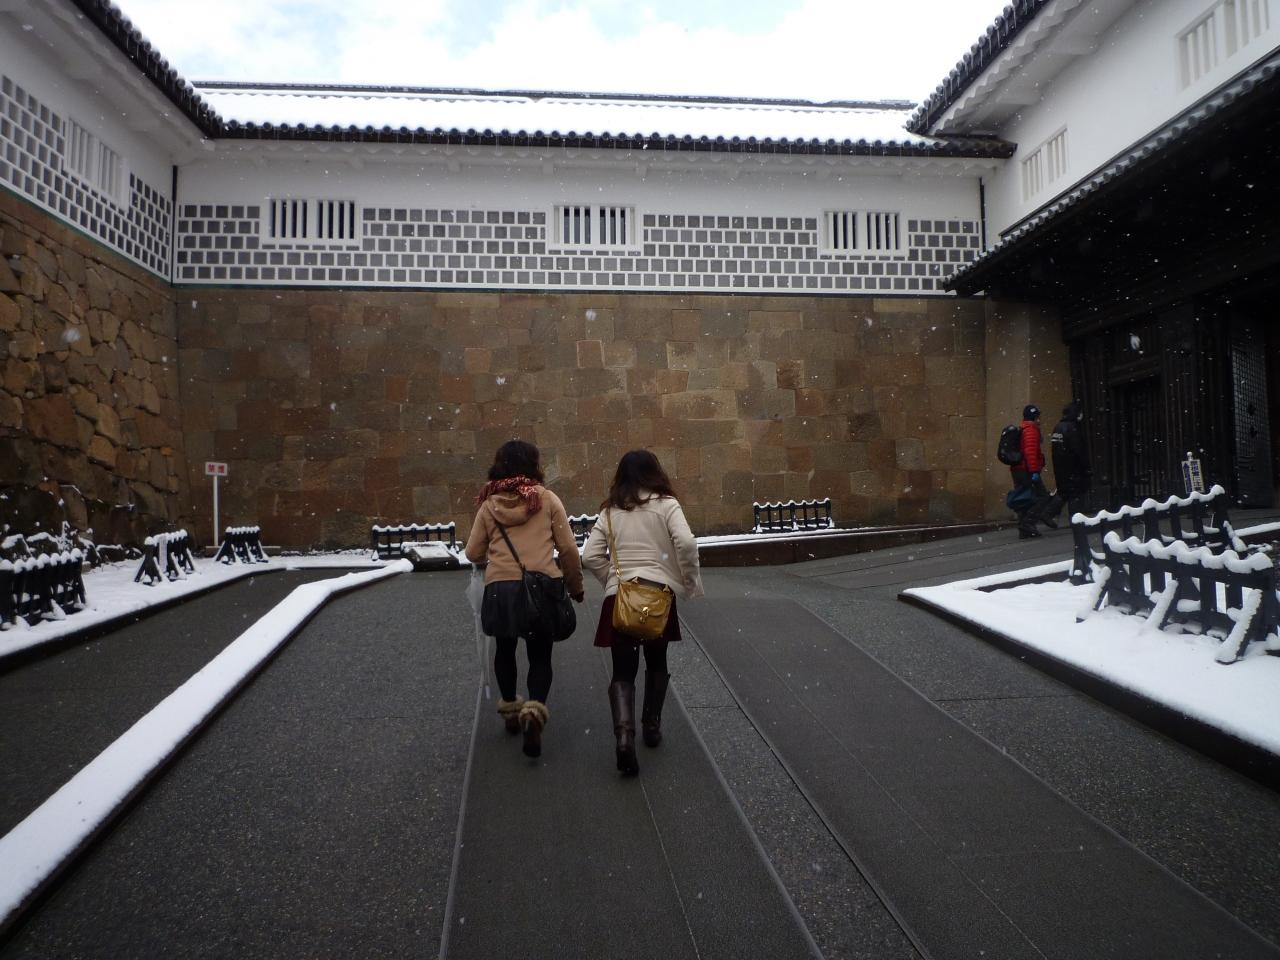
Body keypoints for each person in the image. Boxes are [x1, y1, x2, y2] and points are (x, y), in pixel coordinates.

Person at [581, 450, 703, 776]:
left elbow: (590, 556)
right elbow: (687, 544)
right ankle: (651, 725)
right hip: (658, 597)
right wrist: (688, 580)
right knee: (657, 661)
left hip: (620, 598)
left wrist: (612, 581)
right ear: (654, 472)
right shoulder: (667, 505)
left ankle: (624, 737)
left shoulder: (610, 511)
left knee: (622, 672)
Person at [465, 439, 584, 759]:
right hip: (540, 588)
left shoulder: (489, 504)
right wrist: (575, 586)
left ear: (499, 465)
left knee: (504, 650)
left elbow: (473, 552)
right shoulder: (546, 499)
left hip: (500, 588)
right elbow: (568, 549)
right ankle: (534, 714)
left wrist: (496, 556)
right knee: (540, 655)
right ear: (533, 464)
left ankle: (510, 711)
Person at [1011, 404, 1055, 539]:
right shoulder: (1031, 430)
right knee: (1042, 497)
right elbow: (1030, 452)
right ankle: (1028, 523)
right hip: (1026, 470)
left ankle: (1024, 529)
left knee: (1024, 498)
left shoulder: (1023, 427)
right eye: (1038, 417)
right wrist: (1034, 471)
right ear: (1034, 417)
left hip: (1019, 469)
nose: (1040, 420)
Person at [1047, 400, 1092, 522]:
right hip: (1072, 468)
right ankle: (1075, 521)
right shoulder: (1073, 428)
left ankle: (1048, 514)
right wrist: (1086, 467)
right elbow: (1078, 450)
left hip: (1060, 467)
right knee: (1074, 494)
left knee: (1064, 492)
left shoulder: (1058, 427)